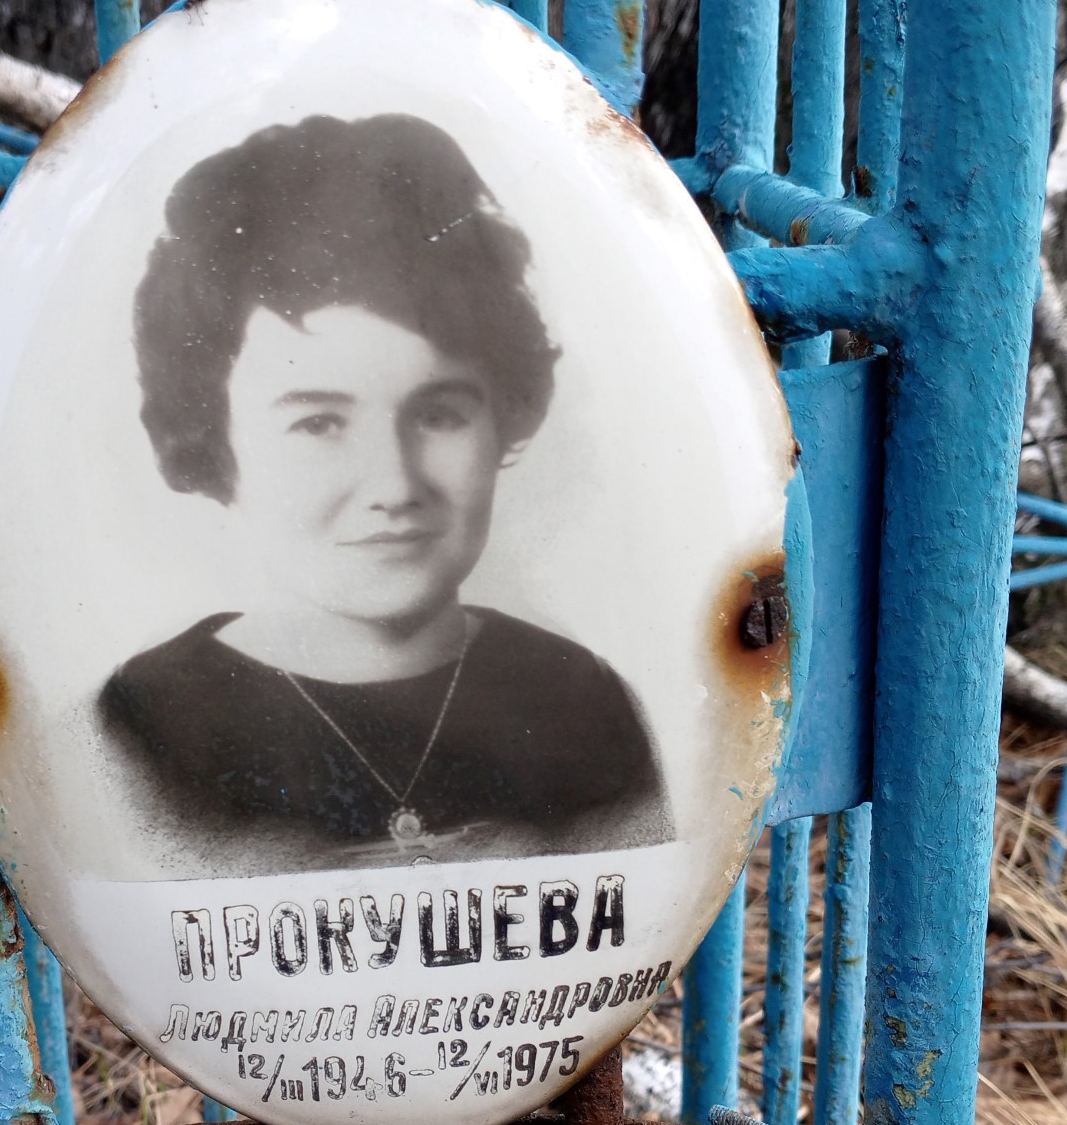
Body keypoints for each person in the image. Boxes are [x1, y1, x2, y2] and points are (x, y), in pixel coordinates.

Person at [99, 112, 670, 871]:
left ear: (503, 416)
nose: (395, 485)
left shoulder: (581, 702)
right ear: (213, 438)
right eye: (318, 423)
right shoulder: (139, 734)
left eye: (439, 414)